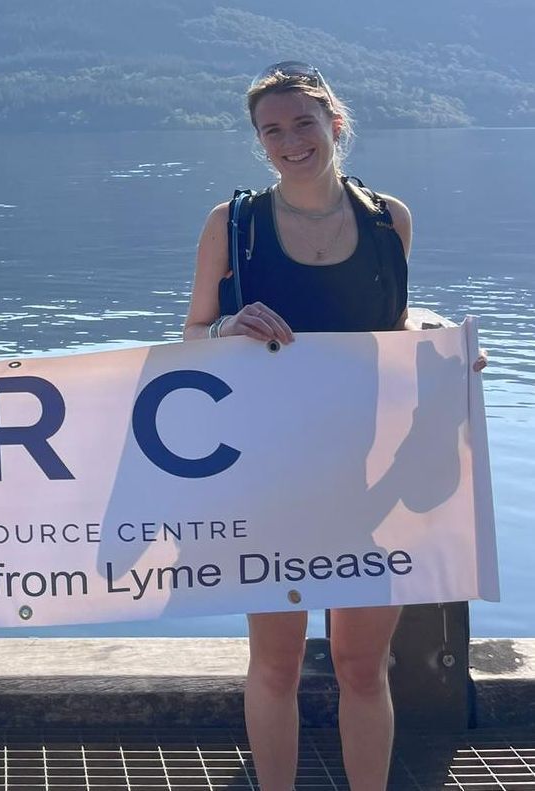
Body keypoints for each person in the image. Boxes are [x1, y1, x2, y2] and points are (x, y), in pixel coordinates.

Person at [183, 61, 484, 790]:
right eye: (271, 130)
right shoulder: (235, 225)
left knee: (358, 663)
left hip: (370, 475)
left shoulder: (389, 220)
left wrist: (439, 340)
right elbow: (189, 337)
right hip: (266, 477)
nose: (290, 141)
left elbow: (384, 325)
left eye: (302, 123)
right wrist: (226, 325)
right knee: (277, 664)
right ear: (259, 142)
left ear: (334, 125)